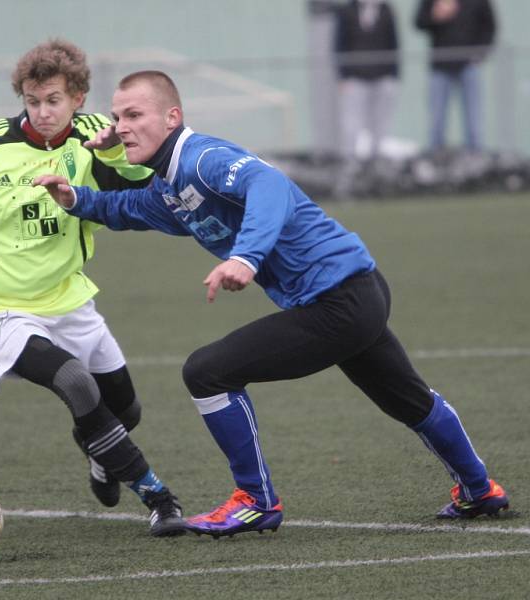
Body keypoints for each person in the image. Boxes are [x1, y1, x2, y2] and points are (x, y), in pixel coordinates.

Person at [34, 70, 509, 538]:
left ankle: (255, 503)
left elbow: (270, 185)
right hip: (356, 293)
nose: (121, 126)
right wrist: (75, 197)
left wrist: (247, 256)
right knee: (409, 400)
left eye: (135, 114)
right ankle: (479, 489)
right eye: (117, 117)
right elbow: (131, 208)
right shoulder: (171, 184)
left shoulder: (202, 159)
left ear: (172, 117)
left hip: (339, 300)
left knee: (206, 371)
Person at [0, 41, 185, 537]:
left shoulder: (96, 137)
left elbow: (137, 185)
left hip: (68, 298)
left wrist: (114, 152)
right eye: (32, 101)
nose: (42, 112)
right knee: (75, 383)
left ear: (79, 98)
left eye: (53, 100)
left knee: (125, 408)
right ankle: (158, 497)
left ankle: (99, 454)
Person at [414, 0, 497, 152]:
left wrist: (479, 54)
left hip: (468, 66)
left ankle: (475, 156)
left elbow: (489, 26)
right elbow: (419, 22)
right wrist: (435, 16)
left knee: (474, 120)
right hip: (440, 65)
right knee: (436, 120)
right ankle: (435, 156)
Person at [334, 0, 400, 162]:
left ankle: (375, 162)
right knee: (351, 125)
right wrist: (343, 76)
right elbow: (339, 44)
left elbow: (394, 43)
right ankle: (350, 162)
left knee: (379, 124)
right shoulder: (347, 11)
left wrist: (393, 75)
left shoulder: (386, 10)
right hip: (355, 78)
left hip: (382, 76)